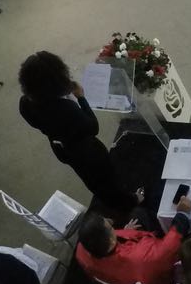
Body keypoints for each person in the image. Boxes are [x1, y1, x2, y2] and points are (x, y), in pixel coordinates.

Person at [17, 51, 143, 213]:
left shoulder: (25, 104)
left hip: (63, 149)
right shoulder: (66, 109)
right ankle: (130, 201)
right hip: (88, 151)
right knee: (107, 178)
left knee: (91, 180)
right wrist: (81, 98)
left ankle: (111, 202)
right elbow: (92, 127)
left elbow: (37, 124)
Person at [76, 195, 191, 284]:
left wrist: (125, 233)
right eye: (111, 228)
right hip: (166, 281)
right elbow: (169, 247)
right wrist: (182, 214)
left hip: (127, 275)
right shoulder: (144, 257)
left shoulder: (81, 252)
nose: (111, 222)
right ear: (111, 241)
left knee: (138, 214)